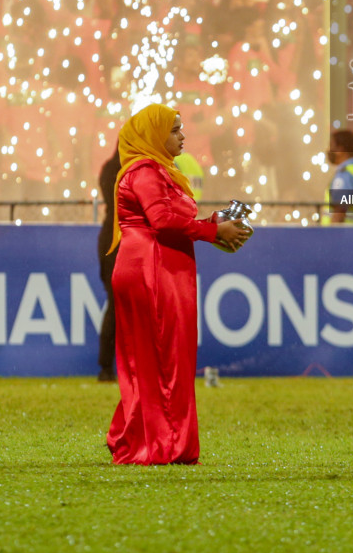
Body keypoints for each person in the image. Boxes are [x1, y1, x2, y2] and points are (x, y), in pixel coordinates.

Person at [106, 105, 252, 465]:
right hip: (152, 267)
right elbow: (162, 221)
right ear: (154, 135)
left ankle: (134, 435)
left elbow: (173, 219)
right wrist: (213, 231)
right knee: (163, 355)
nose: (182, 136)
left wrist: (217, 223)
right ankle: (162, 443)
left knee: (155, 357)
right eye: (174, 130)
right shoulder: (144, 171)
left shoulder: (158, 171)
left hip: (158, 264)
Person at [95, 149, 122, 383]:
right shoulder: (134, 170)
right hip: (122, 240)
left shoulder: (108, 169)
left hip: (108, 239)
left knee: (114, 305)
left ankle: (106, 367)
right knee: (121, 306)